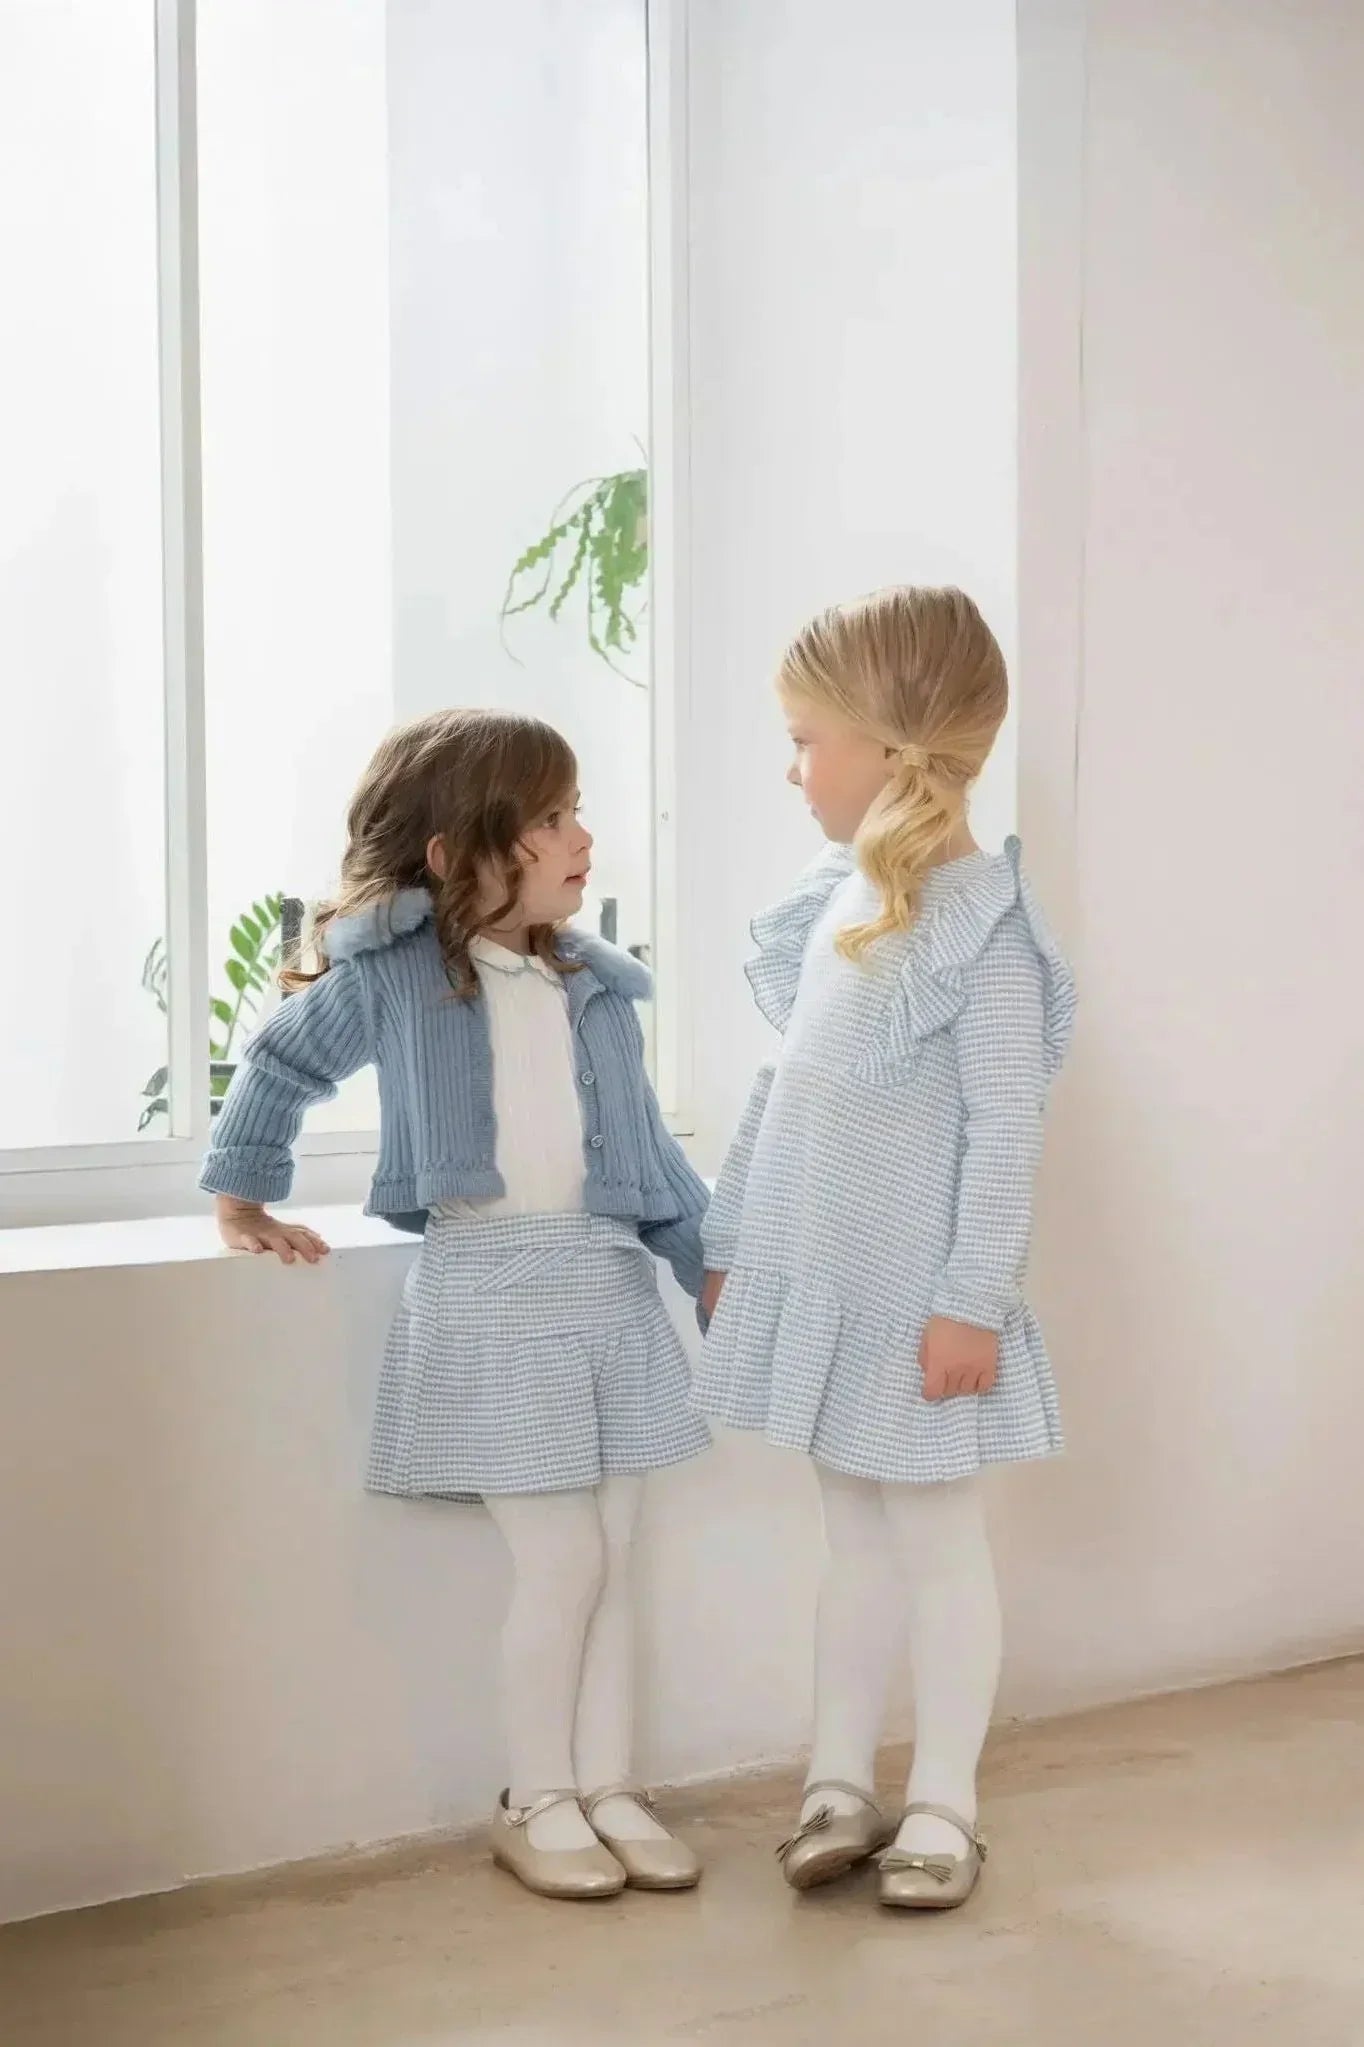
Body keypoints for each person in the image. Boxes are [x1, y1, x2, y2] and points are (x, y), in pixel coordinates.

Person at [202, 707, 709, 1901]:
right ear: (452, 853)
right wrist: (241, 1200)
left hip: (604, 1286)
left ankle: (609, 1784)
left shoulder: (592, 987)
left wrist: (708, 1264)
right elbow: (276, 1062)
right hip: (490, 1291)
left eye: (575, 810)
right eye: (548, 817)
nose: (581, 835)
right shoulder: (393, 975)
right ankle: (535, 1796)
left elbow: (649, 1157)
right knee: (563, 1557)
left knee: (620, 1552)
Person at [693, 586, 1076, 1911]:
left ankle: (947, 1801)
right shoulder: (839, 896)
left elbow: (1005, 1129)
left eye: (806, 738)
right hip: (825, 1281)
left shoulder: (987, 927)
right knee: (848, 1537)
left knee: (933, 1537)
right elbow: (782, 1087)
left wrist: (972, 1297)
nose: (791, 766)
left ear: (884, 742)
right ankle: (838, 1777)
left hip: (919, 1298)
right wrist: (736, 1233)